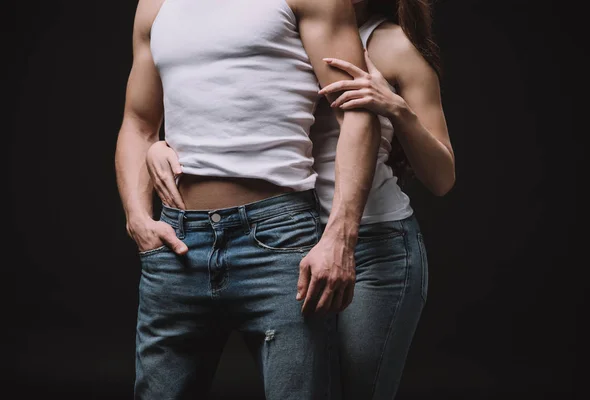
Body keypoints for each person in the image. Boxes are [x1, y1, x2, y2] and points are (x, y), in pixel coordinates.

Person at [146, 0, 455, 399]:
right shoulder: (278, 27)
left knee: (354, 391)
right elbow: (233, 115)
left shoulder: (390, 45)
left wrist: (396, 109)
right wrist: (159, 145)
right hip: (291, 240)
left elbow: (442, 177)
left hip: (372, 244)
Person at [114, 0, 382, 398]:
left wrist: (341, 237)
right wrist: (137, 217)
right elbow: (137, 124)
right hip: (177, 244)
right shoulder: (155, 5)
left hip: (278, 241)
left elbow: (357, 113)